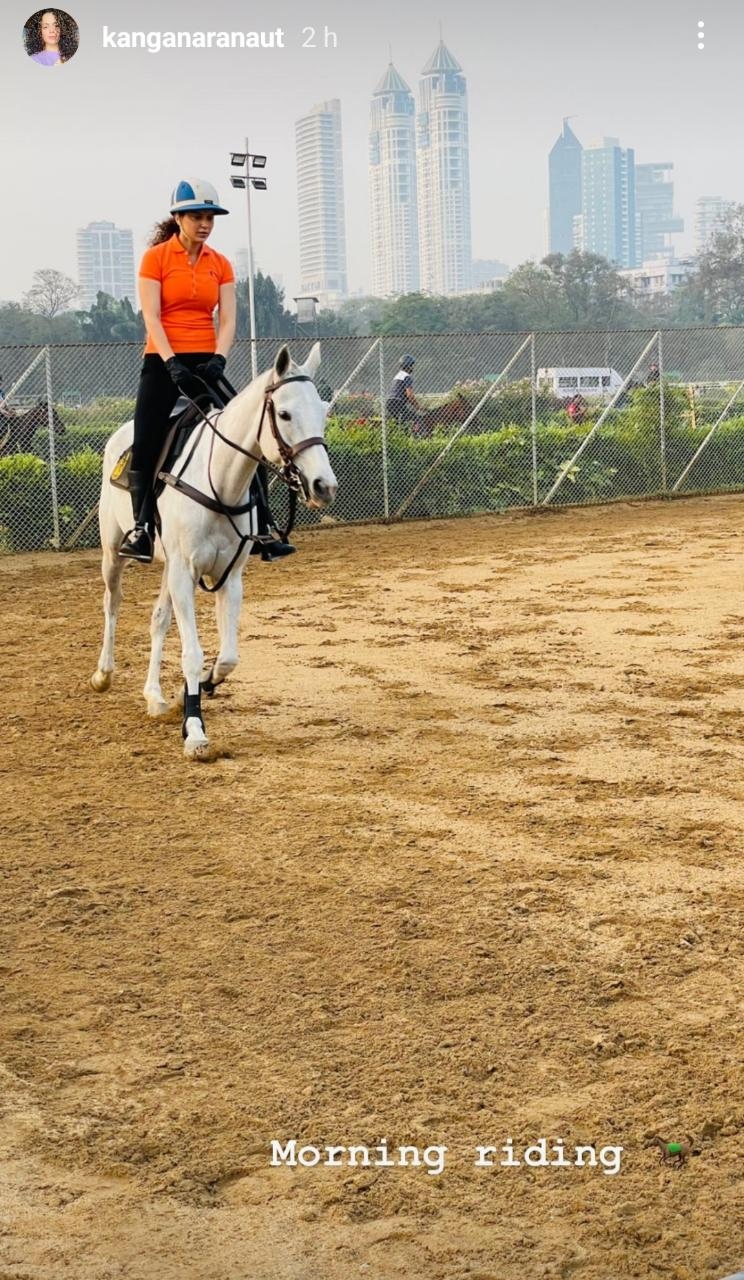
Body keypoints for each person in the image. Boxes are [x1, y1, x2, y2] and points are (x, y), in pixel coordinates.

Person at [119, 177, 293, 564]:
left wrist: (219, 357)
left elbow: (227, 319)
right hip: (163, 361)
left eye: (210, 217)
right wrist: (170, 362)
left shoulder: (221, 264)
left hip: (206, 361)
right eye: (197, 216)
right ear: (178, 218)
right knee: (146, 440)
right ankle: (141, 528)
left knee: (253, 433)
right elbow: (152, 317)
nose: (205, 223)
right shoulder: (156, 258)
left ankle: (263, 527)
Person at [386, 354, 423, 432]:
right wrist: (418, 407)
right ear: (408, 366)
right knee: (418, 418)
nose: (413, 367)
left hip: (390, 402)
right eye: (412, 365)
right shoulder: (407, 377)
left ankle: (401, 433)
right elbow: (410, 395)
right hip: (398, 403)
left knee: (401, 421)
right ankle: (415, 435)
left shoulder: (397, 375)